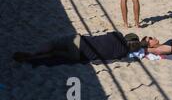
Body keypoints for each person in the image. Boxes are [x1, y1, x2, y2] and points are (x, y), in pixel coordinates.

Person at [13, 31, 141, 64]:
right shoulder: (122, 53)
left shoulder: (116, 35)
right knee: (56, 54)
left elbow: (108, 35)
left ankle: (33, 53)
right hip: (78, 55)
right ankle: (43, 54)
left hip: (78, 39)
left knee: (53, 44)